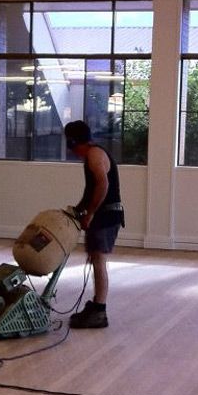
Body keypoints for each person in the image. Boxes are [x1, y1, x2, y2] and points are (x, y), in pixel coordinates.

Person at [65, 120, 123, 329]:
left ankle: (100, 311)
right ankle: (97, 304)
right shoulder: (92, 155)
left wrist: (89, 213)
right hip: (103, 215)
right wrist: (79, 208)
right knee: (95, 258)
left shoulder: (94, 155)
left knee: (98, 260)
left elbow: (103, 184)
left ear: (73, 141)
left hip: (106, 216)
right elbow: (91, 190)